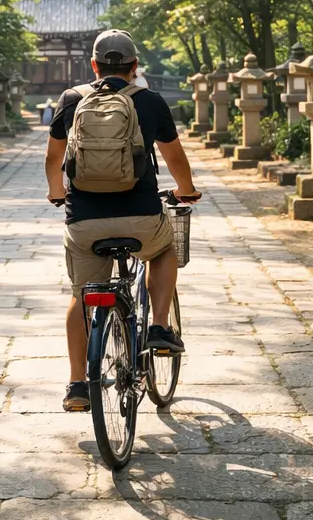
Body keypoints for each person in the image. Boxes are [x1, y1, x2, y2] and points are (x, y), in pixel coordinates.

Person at [45, 29, 201, 412]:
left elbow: (53, 160)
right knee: (163, 251)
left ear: (93, 65)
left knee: (81, 296)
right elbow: (175, 158)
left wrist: (56, 192)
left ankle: (78, 385)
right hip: (141, 217)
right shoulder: (150, 101)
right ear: (135, 67)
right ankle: (159, 327)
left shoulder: (71, 99)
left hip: (84, 221)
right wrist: (187, 189)